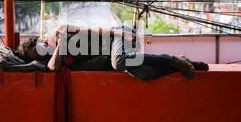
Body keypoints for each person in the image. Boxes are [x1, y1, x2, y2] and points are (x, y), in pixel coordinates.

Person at [16, 25, 209, 81]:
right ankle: (180, 64)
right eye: (38, 55)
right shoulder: (57, 59)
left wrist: (120, 34)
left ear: (39, 40)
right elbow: (52, 67)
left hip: (116, 39)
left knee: (119, 62)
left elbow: (95, 31)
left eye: (38, 47)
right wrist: (60, 44)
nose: (42, 52)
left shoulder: (62, 29)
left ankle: (172, 59)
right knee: (145, 74)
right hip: (116, 58)